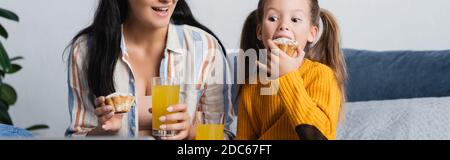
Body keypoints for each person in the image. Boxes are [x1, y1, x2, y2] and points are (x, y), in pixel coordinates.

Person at [66, 0, 233, 140]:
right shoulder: (86, 50)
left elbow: (225, 136)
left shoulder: (205, 49)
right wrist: (105, 131)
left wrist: (191, 133)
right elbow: (77, 134)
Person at [236, 0, 346, 140]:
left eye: (295, 19)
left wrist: (287, 76)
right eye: (273, 18)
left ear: (312, 33)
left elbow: (318, 136)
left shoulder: (321, 75)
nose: (283, 26)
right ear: (259, 32)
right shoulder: (251, 85)